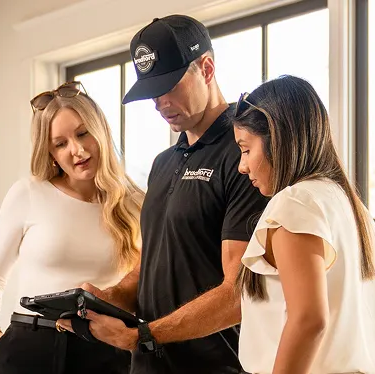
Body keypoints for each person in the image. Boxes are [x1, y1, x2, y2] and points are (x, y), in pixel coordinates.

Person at [59, 15, 269, 374]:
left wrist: (145, 334)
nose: (159, 102)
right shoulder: (162, 164)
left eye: (170, 85)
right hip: (149, 365)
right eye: (151, 91)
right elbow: (151, 263)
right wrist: (108, 298)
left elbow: (239, 291)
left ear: (206, 67)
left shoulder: (246, 154)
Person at [0, 81, 145, 374]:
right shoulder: (28, 193)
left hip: (107, 353)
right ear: (50, 153)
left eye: (82, 133)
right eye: (60, 144)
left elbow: (145, 283)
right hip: (29, 350)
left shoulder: (136, 203)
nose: (76, 150)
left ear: (100, 130)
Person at [231, 75, 375, 373]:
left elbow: (309, 319)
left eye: (246, 149)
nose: (242, 166)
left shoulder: (295, 203)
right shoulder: (356, 211)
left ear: (277, 138)